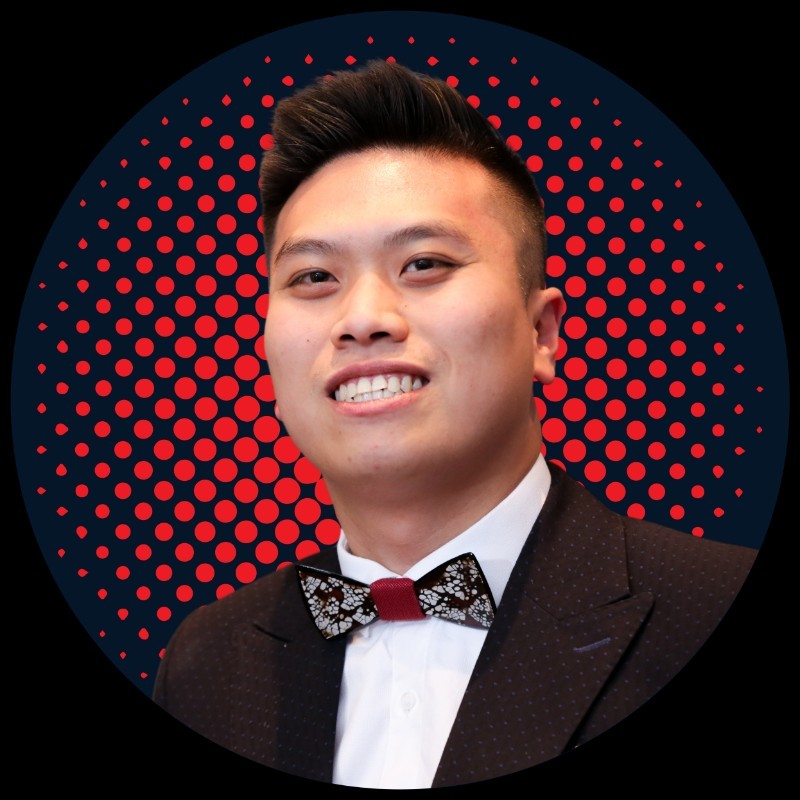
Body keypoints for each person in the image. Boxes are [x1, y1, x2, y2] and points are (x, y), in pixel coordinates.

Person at [152, 59, 757, 789]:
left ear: (542, 333)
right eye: (314, 277)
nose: (363, 318)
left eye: (424, 264)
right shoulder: (207, 664)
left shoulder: (712, 608)